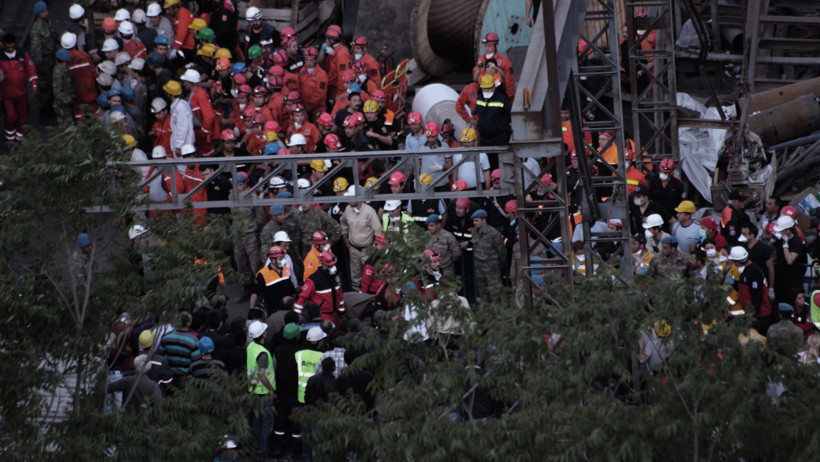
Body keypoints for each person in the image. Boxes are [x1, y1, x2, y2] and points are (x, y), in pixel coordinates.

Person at [231, 172, 267, 301]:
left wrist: (254, 231)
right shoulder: (232, 196)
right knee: (241, 264)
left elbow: (260, 217)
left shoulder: (253, 198)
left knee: (256, 264)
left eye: (240, 185)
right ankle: (246, 290)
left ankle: (260, 292)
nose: (238, 188)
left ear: (246, 184)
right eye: (236, 185)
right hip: (237, 235)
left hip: (250, 235)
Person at [340, 187, 382, 290]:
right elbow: (343, 222)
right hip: (353, 249)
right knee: (355, 277)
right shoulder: (348, 210)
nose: (348, 199)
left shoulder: (369, 211)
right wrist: (345, 237)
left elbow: (379, 232)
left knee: (370, 276)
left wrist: (375, 250)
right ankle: (357, 297)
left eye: (351, 197)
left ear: (358, 198)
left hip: (367, 250)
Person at [727, 246, 774, 335]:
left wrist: (753, 314)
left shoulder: (754, 272)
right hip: (751, 313)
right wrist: (734, 283)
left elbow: (757, 294)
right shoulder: (745, 271)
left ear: (737, 262)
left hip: (760, 315)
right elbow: (744, 289)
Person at [246, 320, 276, 459]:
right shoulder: (262, 353)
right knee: (266, 424)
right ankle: (263, 451)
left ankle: (256, 448)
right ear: (263, 334)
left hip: (253, 390)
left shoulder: (251, 346)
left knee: (256, 421)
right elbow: (261, 375)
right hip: (264, 393)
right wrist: (271, 389)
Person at [0, 33, 38, 141]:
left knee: (23, 115)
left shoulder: (22, 53)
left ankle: (20, 136)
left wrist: (34, 84)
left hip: (22, 92)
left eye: (12, 47)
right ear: (4, 45)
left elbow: (30, 69)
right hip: (7, 94)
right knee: (11, 116)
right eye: (8, 47)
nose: (10, 50)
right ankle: (10, 138)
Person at [272, 322, 303, 457]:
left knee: (280, 420)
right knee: (296, 421)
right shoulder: (300, 352)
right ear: (296, 336)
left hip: (281, 390)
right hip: (295, 391)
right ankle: (294, 450)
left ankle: (277, 448)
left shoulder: (277, 351)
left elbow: (274, 369)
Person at [471, 209, 506, 302]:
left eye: (476, 220)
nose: (474, 223)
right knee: (483, 292)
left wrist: (499, 265)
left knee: (496, 292)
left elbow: (501, 251)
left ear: (483, 220)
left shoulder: (493, 233)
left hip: (492, 266)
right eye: (474, 221)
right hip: (479, 266)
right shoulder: (474, 231)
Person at [29, 2, 56, 120]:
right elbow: (36, 49)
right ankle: (44, 114)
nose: (46, 12)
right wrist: (39, 65)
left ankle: (50, 109)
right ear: (39, 14)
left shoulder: (47, 23)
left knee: (51, 85)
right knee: (44, 88)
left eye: (46, 10)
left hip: (51, 58)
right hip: (44, 61)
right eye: (43, 11)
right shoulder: (36, 29)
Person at [250, 246, 297, 313]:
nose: (283, 261)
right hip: (273, 310)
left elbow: (291, 287)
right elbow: (255, 293)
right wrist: (251, 309)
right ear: (273, 260)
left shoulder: (286, 269)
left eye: (283, 258)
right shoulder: (263, 274)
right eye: (280, 259)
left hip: (287, 307)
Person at [157, 311, 201, 383]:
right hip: (186, 377)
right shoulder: (193, 340)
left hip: (169, 376)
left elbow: (160, 354)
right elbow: (196, 359)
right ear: (188, 323)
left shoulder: (166, 337)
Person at [772, 215, 806, 306]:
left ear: (787, 230)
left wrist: (785, 245)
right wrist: (772, 240)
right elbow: (768, 249)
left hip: (792, 281)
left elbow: (790, 260)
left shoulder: (796, 242)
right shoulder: (779, 239)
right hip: (780, 279)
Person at [476, 32, 515, 102]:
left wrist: (509, 98)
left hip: (498, 95)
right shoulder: (481, 59)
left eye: (489, 46)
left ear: (496, 46)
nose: (487, 48)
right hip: (483, 94)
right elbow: (477, 79)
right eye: (486, 46)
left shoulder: (504, 62)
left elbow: (509, 81)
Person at [474, 73, 511, 146]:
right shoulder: (479, 98)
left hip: (499, 138)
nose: (486, 90)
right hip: (484, 137)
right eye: (484, 88)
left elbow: (509, 114)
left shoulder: (501, 99)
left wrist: (508, 127)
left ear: (494, 87)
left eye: (489, 88)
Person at [164, 79, 195, 155]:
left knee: (183, 166)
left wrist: (179, 146)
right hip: (184, 144)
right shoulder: (180, 104)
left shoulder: (180, 107)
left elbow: (182, 127)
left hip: (183, 146)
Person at [426, 214, 462, 280]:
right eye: (428, 225)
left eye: (432, 225)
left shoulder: (448, 236)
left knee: (448, 288)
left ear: (438, 225)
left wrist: (448, 262)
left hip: (446, 270)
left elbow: (456, 252)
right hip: (430, 272)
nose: (429, 228)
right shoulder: (425, 236)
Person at [52, 49, 75, 127]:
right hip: (62, 105)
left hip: (67, 102)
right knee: (65, 125)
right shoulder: (58, 73)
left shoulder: (64, 69)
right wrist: (69, 99)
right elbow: (57, 92)